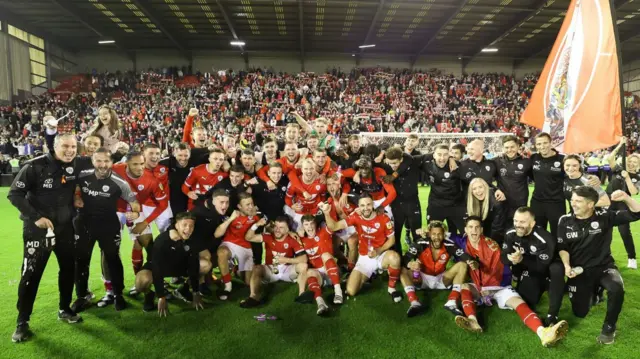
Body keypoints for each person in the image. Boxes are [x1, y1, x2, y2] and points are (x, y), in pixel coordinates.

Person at [8, 133, 89, 343]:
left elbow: (94, 167)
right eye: (65, 146)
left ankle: (64, 309)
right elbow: (14, 194)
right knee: (31, 273)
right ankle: (22, 322)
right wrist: (35, 217)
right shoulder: (34, 166)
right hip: (38, 230)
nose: (70, 150)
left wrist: (78, 196)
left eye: (73, 146)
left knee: (68, 269)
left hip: (65, 229)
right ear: (54, 146)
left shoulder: (77, 164)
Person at [451, 217, 568, 347]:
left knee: (519, 303)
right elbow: (447, 239)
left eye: (477, 227)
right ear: (465, 230)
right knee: (465, 286)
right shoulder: (463, 242)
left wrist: (488, 287)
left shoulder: (491, 246)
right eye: (471, 227)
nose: (474, 230)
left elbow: (503, 270)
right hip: (480, 286)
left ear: (482, 230)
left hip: (497, 285)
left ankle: (543, 333)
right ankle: (473, 321)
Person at [558, 186, 640, 344]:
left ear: (590, 205)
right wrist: (567, 267)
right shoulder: (564, 220)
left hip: (604, 266)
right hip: (579, 270)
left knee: (617, 288)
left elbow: (636, 213)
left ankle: (609, 328)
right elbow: (563, 248)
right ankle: (595, 291)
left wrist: (626, 197)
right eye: (572, 200)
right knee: (579, 312)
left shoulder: (605, 217)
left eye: (578, 201)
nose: (573, 204)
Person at [72, 148, 140, 313]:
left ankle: (118, 295)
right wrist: (76, 196)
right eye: (99, 161)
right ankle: (82, 296)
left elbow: (134, 201)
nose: (102, 165)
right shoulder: (82, 175)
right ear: (93, 161)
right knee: (81, 260)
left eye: (106, 161)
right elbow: (73, 188)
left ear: (111, 162)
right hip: (84, 224)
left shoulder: (120, 182)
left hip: (108, 225)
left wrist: (135, 212)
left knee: (112, 259)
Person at [320, 195, 402, 302]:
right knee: (351, 291)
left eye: (368, 204)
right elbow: (334, 226)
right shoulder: (355, 217)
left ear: (373, 205)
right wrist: (326, 213)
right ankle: (368, 275)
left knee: (395, 258)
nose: (366, 208)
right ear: (358, 206)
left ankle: (392, 288)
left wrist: (378, 251)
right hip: (365, 257)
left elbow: (392, 240)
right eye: (362, 205)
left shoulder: (384, 218)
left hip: (381, 254)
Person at [133, 212, 206, 316]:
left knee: (204, 265)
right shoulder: (162, 240)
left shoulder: (193, 239)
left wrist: (195, 292)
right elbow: (156, 268)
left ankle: (184, 290)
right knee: (141, 282)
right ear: (176, 226)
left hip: (180, 267)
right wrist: (161, 296)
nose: (188, 229)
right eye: (184, 225)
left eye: (191, 226)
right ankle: (149, 294)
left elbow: (193, 265)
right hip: (160, 267)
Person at [502, 207, 565, 326]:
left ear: (532, 223)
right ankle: (542, 286)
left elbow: (542, 267)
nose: (517, 225)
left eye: (522, 222)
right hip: (531, 268)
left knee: (556, 269)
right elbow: (503, 257)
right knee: (527, 302)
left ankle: (552, 315)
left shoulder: (544, 238)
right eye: (515, 221)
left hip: (548, 267)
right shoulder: (510, 234)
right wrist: (512, 259)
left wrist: (521, 259)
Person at [400, 221, 469, 318]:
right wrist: (410, 264)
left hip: (442, 279)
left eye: (440, 234)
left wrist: (473, 262)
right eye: (434, 234)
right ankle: (414, 303)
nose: (437, 237)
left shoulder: (450, 245)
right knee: (402, 271)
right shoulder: (420, 243)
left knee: (462, 265)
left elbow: (466, 258)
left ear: (444, 234)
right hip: (422, 278)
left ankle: (452, 302)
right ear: (429, 234)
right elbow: (404, 259)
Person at [242, 217, 308, 308]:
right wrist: (256, 225)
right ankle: (253, 297)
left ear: (287, 229)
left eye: (281, 227)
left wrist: (286, 260)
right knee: (257, 267)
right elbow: (248, 237)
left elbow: (304, 259)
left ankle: (302, 294)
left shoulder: (293, 239)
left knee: (303, 266)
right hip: (271, 269)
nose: (277, 230)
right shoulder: (268, 236)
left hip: (286, 269)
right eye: (276, 226)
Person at [296, 214, 345, 314]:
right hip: (318, 277)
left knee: (325, 255)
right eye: (306, 224)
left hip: (331, 271)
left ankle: (338, 292)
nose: (309, 227)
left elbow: (332, 226)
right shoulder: (300, 239)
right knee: (309, 272)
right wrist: (293, 233)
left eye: (311, 223)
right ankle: (320, 303)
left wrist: (327, 212)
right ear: (302, 227)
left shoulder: (323, 232)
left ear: (316, 224)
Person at [214, 192, 259, 300]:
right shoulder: (231, 214)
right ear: (239, 206)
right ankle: (227, 286)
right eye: (247, 205)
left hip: (246, 248)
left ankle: (235, 269)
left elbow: (268, 225)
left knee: (248, 282)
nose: (251, 207)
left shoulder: (256, 215)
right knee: (222, 252)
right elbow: (217, 234)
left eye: (251, 203)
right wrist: (231, 219)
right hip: (230, 244)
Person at [606, 138, 640, 269]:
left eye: (635, 162)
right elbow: (610, 158)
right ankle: (606, 257)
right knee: (604, 231)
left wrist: (627, 177)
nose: (631, 164)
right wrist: (620, 144)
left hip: (622, 204)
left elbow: (634, 192)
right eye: (630, 161)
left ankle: (631, 257)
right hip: (608, 202)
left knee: (625, 232)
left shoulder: (637, 177)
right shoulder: (618, 169)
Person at [423, 144, 465, 235]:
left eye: (445, 154)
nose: (442, 158)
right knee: (433, 234)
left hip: (455, 206)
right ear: (433, 155)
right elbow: (410, 159)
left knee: (462, 234)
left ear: (449, 154)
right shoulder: (427, 165)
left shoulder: (458, 166)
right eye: (439, 154)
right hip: (436, 206)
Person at [530, 132, 566, 238]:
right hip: (537, 203)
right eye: (539, 144)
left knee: (558, 234)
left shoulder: (562, 159)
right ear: (536, 145)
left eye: (545, 143)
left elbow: (576, 172)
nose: (542, 146)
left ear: (551, 143)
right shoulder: (533, 158)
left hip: (556, 203)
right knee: (538, 234)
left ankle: (558, 255)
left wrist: (594, 178)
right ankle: (542, 254)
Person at [494, 135, 532, 222]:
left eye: (512, 147)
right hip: (502, 203)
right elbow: (487, 178)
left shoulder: (526, 162)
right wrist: (495, 189)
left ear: (518, 146)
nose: (509, 150)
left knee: (519, 230)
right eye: (506, 147)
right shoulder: (497, 161)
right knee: (501, 230)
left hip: (520, 204)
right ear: (503, 148)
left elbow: (537, 178)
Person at [466, 177, 506, 243]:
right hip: (486, 230)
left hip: (498, 233)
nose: (478, 191)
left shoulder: (496, 202)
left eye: (480, 187)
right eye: (474, 189)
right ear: (471, 192)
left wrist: (489, 242)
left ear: (486, 187)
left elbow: (497, 227)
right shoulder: (472, 201)